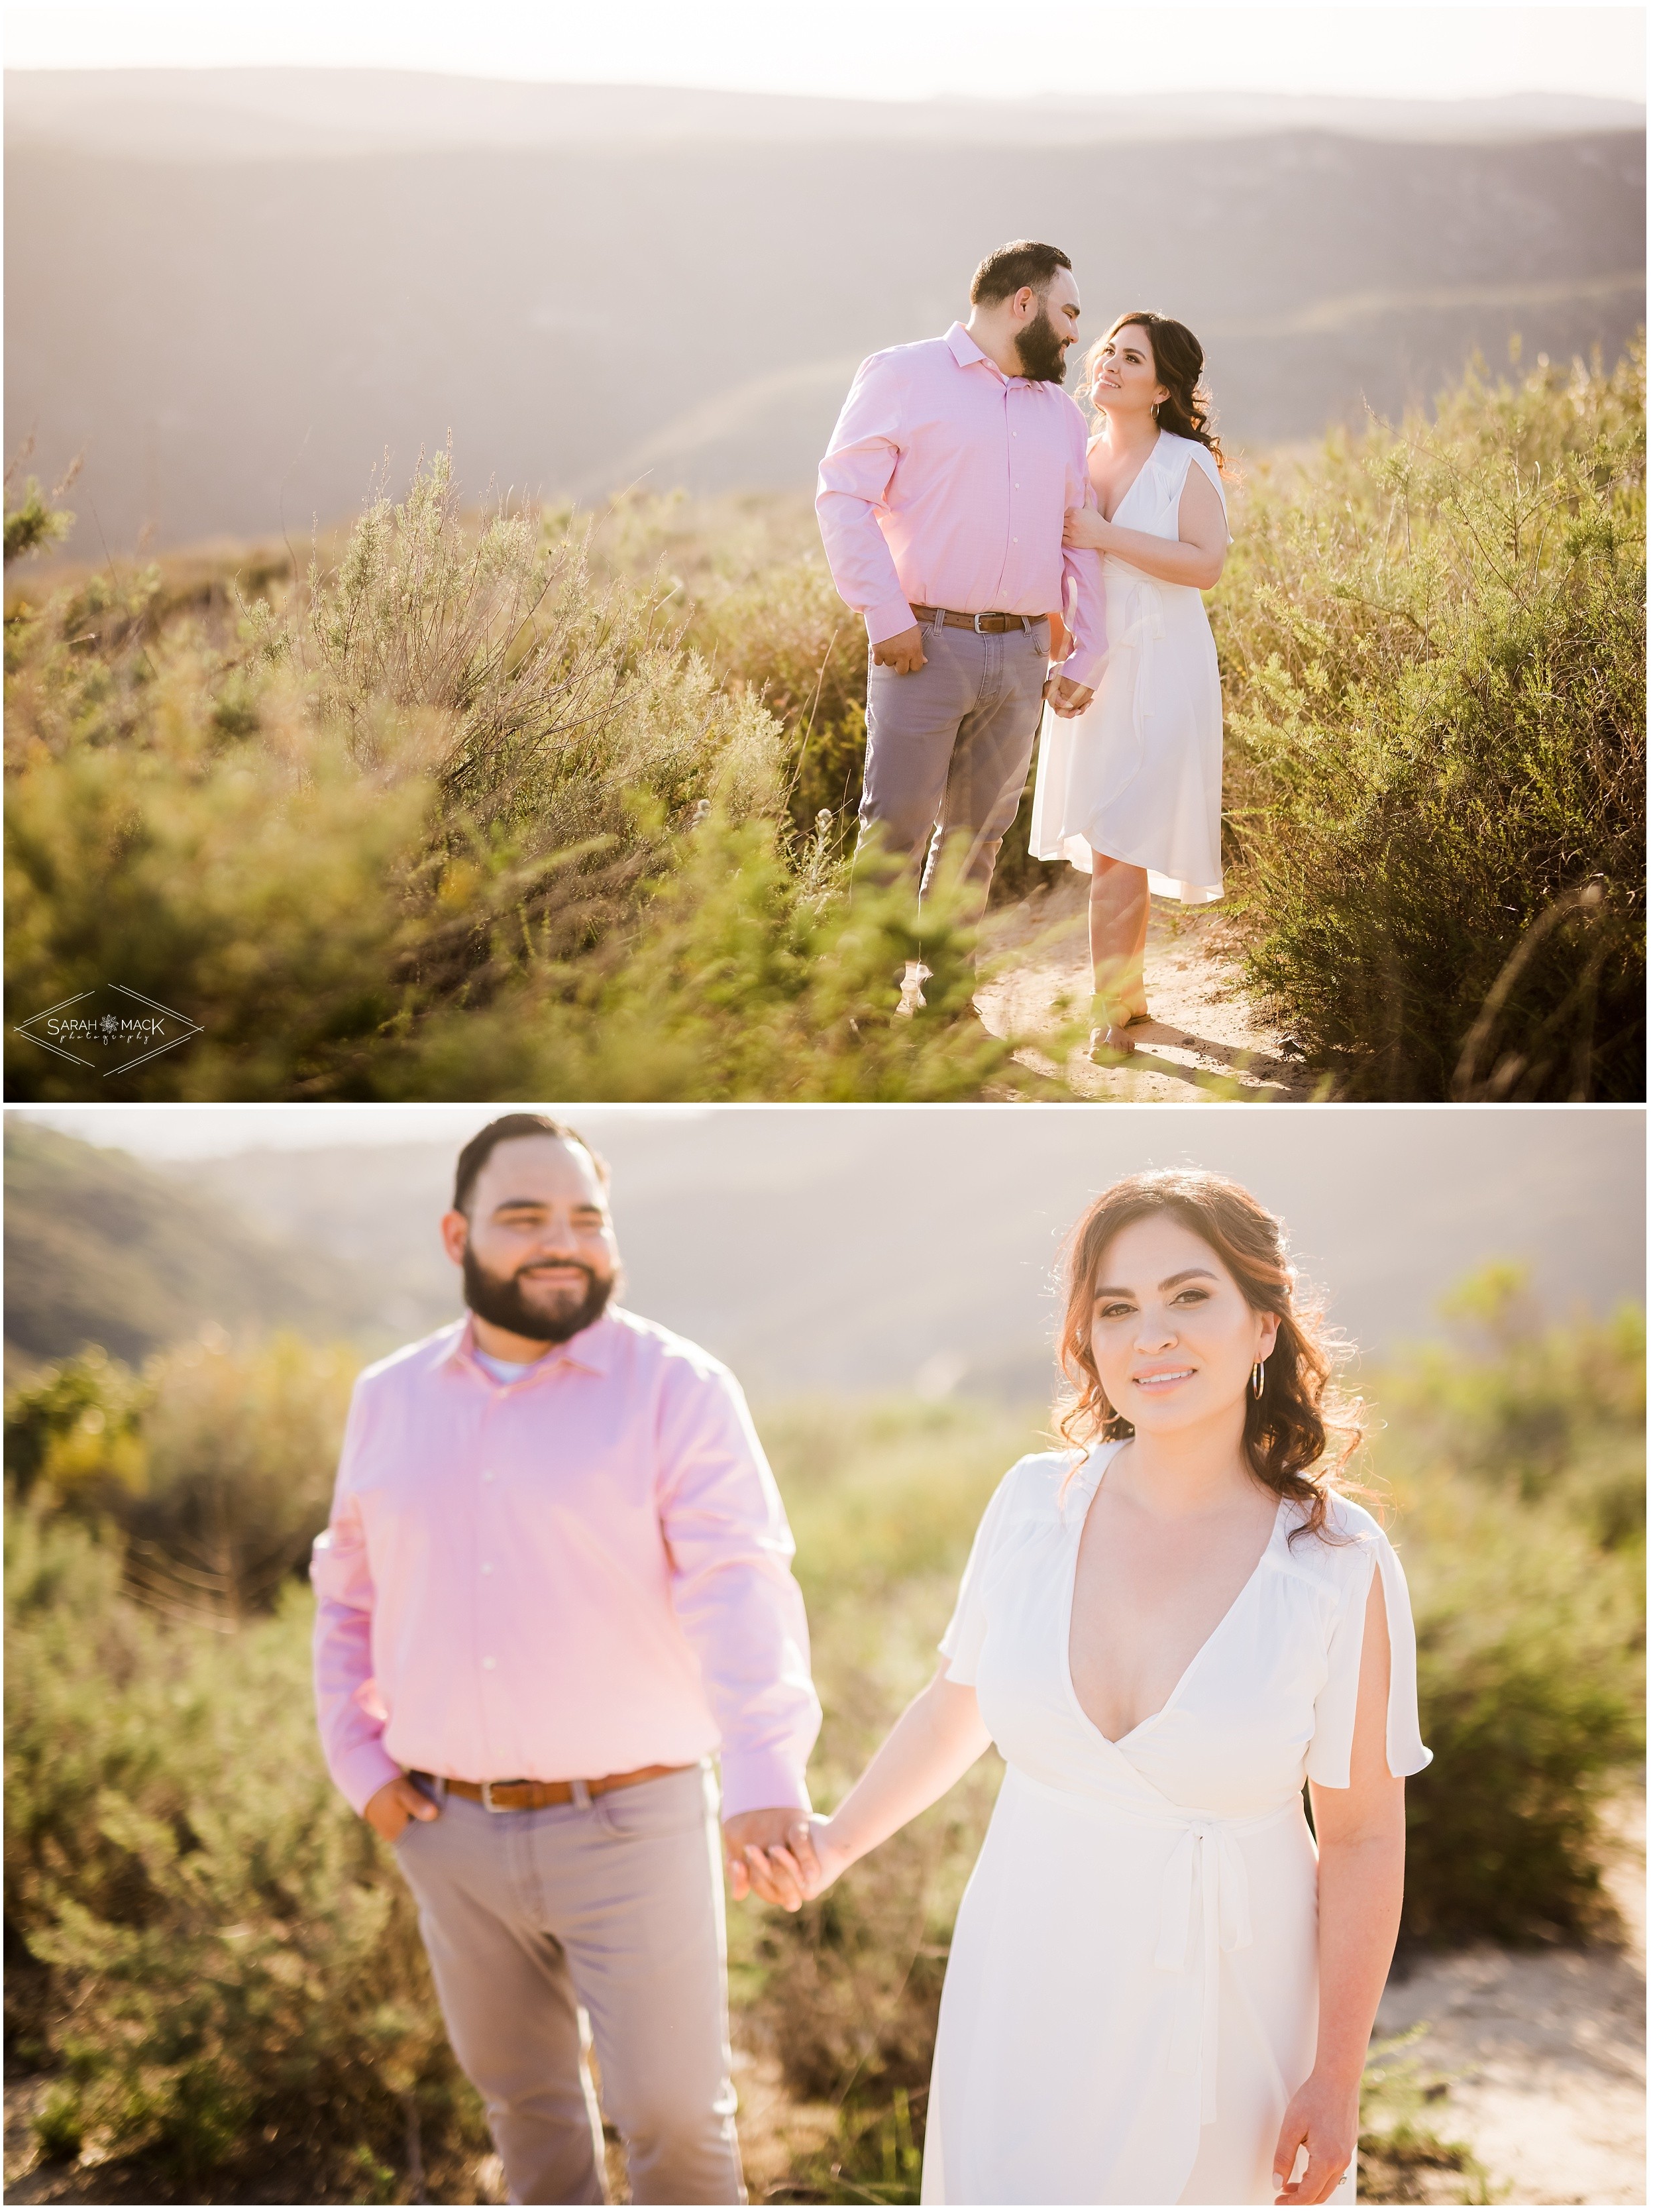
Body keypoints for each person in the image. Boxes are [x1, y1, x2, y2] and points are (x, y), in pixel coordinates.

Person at [745, 1169, 1430, 2207]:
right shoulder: (1032, 1505)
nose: (1151, 1333)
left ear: (1262, 1326)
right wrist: (836, 1843)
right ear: (1090, 1342)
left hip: (1231, 2003)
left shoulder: (1338, 1560)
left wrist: (1336, 2076)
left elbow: (1367, 1835)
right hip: (1027, 1966)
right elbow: (954, 1705)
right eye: (1117, 1309)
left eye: (1190, 1295)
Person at [310, 1113, 821, 2207]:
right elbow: (345, 1590)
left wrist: (767, 1774)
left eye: (586, 1217)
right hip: (446, 1828)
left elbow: (740, 1586)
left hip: (634, 1824)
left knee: (678, 2126)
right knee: (528, 2118)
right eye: (525, 1216)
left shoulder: (680, 1386)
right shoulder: (385, 1398)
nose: (563, 1240)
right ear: (457, 1236)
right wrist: (362, 1764)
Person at [816, 239, 1106, 910]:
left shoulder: (1061, 414)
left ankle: (949, 1007)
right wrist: (885, 616)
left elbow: (1078, 540)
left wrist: (1086, 647)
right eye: (1067, 312)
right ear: (1022, 303)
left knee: (977, 842)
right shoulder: (901, 374)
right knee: (894, 835)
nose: (1073, 332)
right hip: (923, 645)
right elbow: (842, 497)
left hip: (1023, 656)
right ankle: (870, 1006)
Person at [1028, 312, 1232, 1055]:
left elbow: (1205, 565)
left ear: (1162, 388)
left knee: (1121, 837)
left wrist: (1105, 534)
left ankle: (1109, 1014)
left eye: (1131, 357)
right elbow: (1057, 571)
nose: (1107, 364)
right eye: (1107, 350)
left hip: (1163, 667)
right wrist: (1059, 656)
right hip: (1092, 671)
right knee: (1112, 838)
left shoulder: (1184, 464)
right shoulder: (1077, 457)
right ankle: (1128, 999)